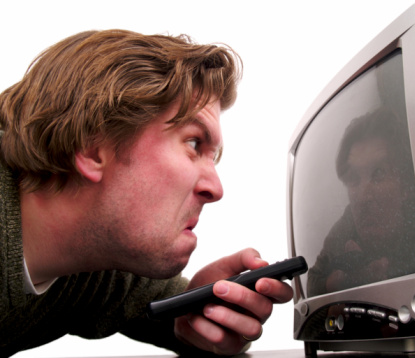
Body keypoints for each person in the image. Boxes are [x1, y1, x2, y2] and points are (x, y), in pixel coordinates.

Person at [0, 30, 293, 357]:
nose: (216, 189)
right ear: (94, 148)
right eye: (194, 144)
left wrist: (205, 315)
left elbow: (194, 324)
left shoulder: (103, 272)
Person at [307, 107, 415, 296]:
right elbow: (313, 283)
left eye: (378, 174)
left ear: (405, 185)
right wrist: (342, 281)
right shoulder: (346, 226)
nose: (363, 197)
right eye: (354, 180)